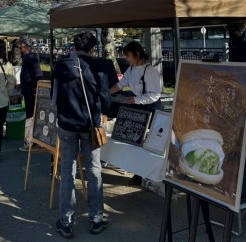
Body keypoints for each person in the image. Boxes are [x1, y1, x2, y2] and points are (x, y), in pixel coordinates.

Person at [51, 31, 111, 238]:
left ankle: (66, 221)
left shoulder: (60, 66)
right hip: (89, 127)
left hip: (66, 125)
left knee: (67, 171)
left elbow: (54, 97)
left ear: (74, 45)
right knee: (94, 171)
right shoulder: (97, 67)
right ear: (92, 48)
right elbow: (105, 100)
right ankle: (96, 219)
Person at [109, 40, 163, 185]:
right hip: (139, 107)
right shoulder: (131, 69)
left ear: (137, 54)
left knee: (148, 143)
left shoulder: (150, 71)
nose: (126, 59)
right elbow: (121, 84)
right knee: (135, 141)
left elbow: (155, 94)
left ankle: (149, 176)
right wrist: (107, 93)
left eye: (128, 56)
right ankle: (138, 173)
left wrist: (136, 99)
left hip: (152, 109)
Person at [18, 36, 43, 151]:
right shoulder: (28, 57)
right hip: (28, 91)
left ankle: (31, 142)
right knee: (30, 116)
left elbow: (38, 74)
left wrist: (33, 89)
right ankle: (31, 141)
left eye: (21, 44)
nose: (19, 46)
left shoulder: (31, 57)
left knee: (30, 116)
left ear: (25, 45)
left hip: (31, 92)